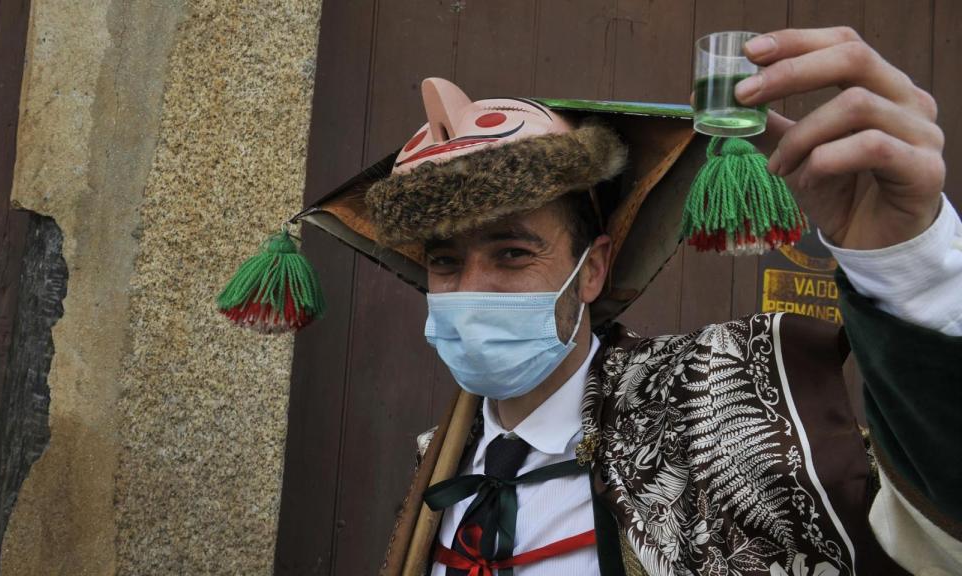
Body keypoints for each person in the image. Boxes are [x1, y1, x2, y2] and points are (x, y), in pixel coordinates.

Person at [359, 27, 959, 575]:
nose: (471, 288)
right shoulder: (441, 459)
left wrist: (911, 271)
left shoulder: (724, 405)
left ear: (590, 270)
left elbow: (933, 541)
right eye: (444, 262)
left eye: (513, 253)